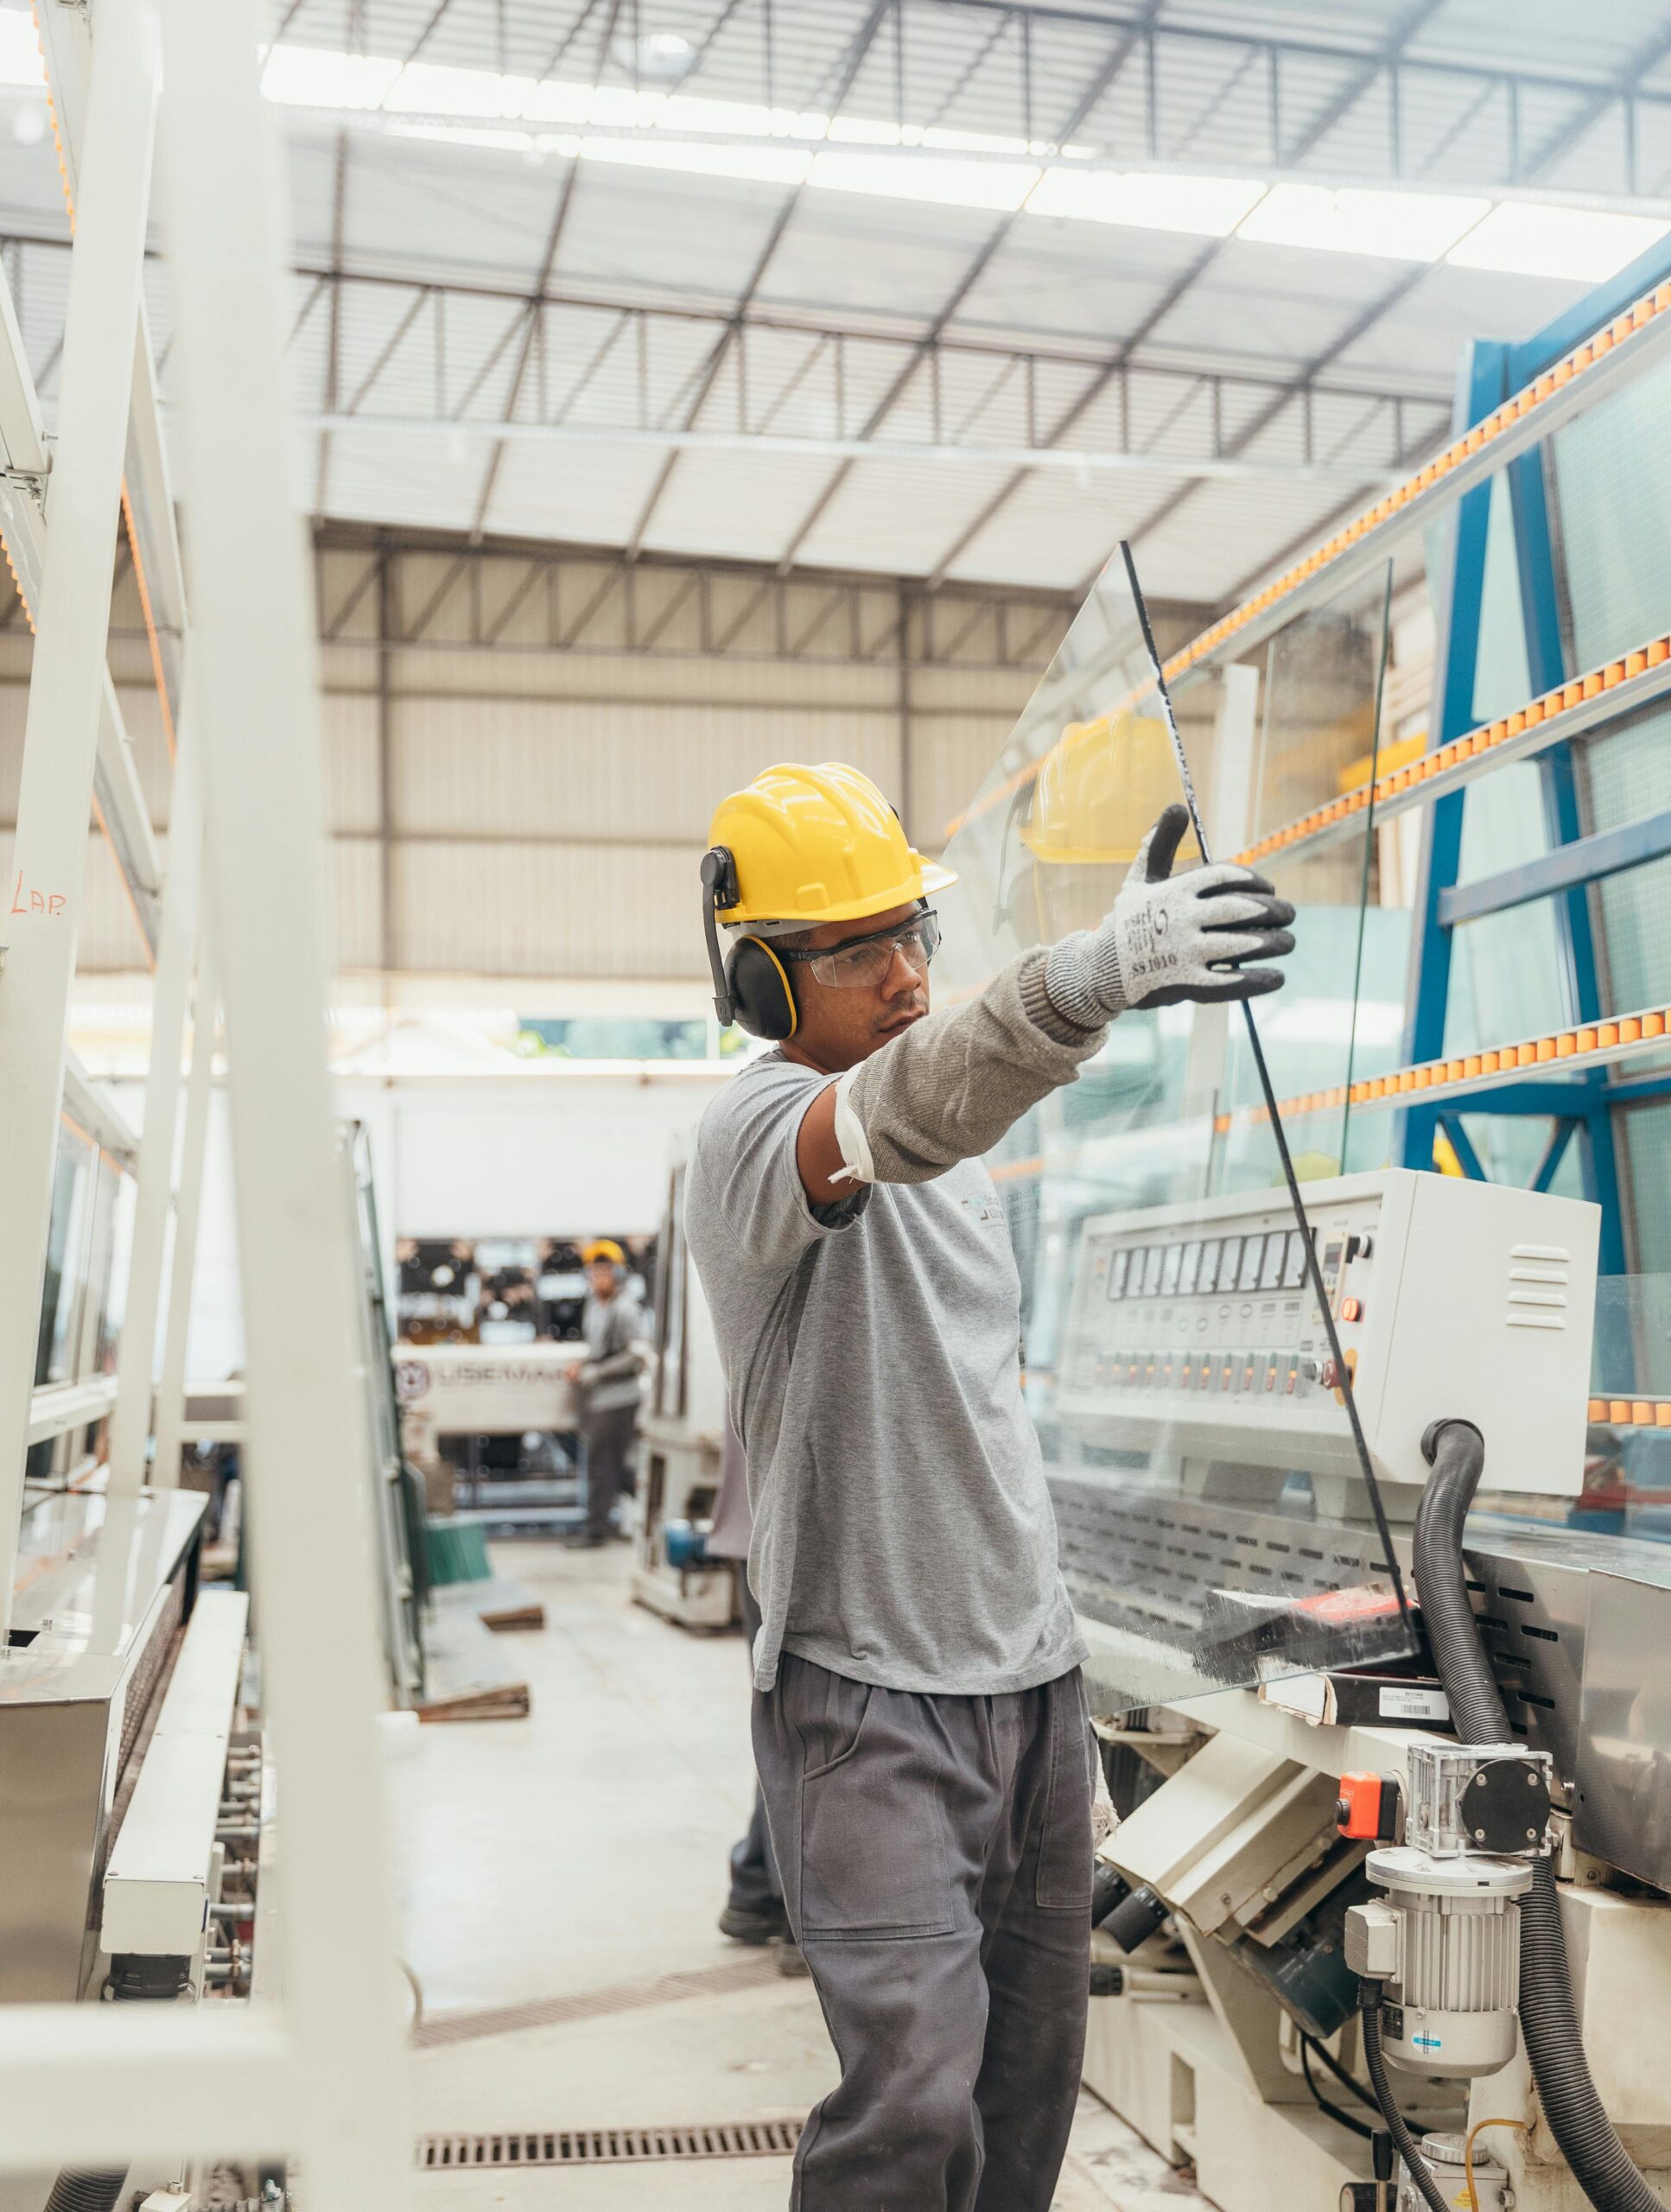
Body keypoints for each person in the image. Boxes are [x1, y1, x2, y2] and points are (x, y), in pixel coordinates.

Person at [683, 761, 1293, 2210]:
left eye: (913, 934)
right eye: (851, 949)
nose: (901, 975)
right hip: (870, 1703)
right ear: (764, 983)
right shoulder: (758, 1139)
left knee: (1023, 2098)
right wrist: (1089, 974)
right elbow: (893, 1111)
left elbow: (940, 1105)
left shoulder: (948, 1157)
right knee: (908, 2111)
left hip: (1032, 1690)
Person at [709, 1413, 807, 1974]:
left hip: (764, 1528)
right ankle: (804, 1918)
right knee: (811, 1729)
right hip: (794, 1536)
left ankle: (756, 1887)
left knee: (788, 1723)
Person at [564, 1239, 645, 1548]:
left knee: (603, 1465)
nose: (598, 1280)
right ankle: (607, 1521)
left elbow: (634, 1355)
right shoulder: (595, 1305)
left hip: (618, 1397)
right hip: (600, 1396)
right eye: (594, 1274)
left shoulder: (625, 1310)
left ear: (619, 1275)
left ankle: (596, 1529)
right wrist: (583, 1364)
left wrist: (594, 1372)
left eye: (605, 1274)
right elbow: (597, 1350)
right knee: (610, 1465)